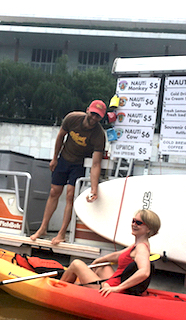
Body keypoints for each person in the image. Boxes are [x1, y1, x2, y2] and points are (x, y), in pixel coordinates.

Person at [30, 100, 107, 245]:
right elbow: (60, 136)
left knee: (70, 195)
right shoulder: (72, 118)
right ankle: (43, 228)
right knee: (54, 191)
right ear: (87, 111)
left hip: (79, 164)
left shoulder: (99, 135)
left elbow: (96, 164)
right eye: (93, 114)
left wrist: (94, 189)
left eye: (98, 116)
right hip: (64, 158)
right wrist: (54, 159)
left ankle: (61, 233)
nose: (94, 118)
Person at [60, 209, 161, 297]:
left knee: (76, 264)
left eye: (138, 223)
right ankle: (86, 288)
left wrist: (117, 288)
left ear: (149, 229)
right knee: (102, 266)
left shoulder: (141, 248)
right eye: (133, 221)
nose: (133, 224)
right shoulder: (137, 244)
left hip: (113, 290)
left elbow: (144, 272)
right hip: (113, 283)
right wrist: (99, 260)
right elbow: (118, 255)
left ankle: (58, 289)